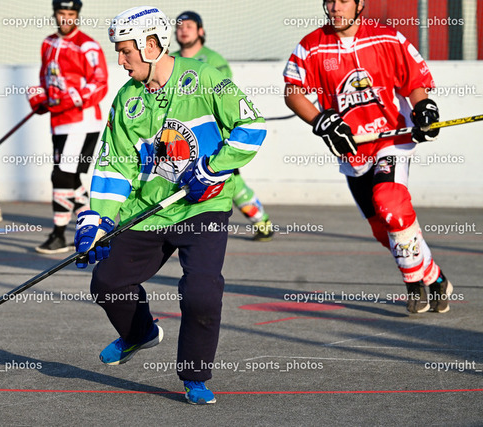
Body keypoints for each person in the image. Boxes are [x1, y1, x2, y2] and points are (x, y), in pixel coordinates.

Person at [73, 6, 266, 404]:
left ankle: (194, 376)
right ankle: (139, 332)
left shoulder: (207, 79)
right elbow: (114, 165)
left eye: (125, 51)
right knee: (107, 282)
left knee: (201, 292)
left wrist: (213, 169)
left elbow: (252, 127)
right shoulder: (127, 100)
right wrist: (98, 219)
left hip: (202, 207)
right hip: (148, 209)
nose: (120, 60)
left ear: (149, 46)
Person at [283, 0, 453, 314]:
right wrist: (321, 120)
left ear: (361, 4)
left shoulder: (387, 37)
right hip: (353, 149)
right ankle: (433, 275)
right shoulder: (312, 45)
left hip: (392, 138)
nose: (335, 7)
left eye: (344, 1)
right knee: (380, 227)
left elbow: (415, 82)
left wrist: (424, 108)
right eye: (330, 1)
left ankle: (413, 280)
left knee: (390, 203)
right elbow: (292, 91)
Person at [171, 11, 274, 241]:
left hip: (214, 135)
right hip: (183, 135)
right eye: (179, 26)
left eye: (189, 26)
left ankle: (261, 220)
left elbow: (225, 102)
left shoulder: (214, 61)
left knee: (231, 182)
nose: (183, 30)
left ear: (201, 31)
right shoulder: (172, 60)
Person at [28, 0, 108, 254]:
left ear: (77, 15)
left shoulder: (87, 45)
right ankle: (94, 225)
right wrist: (40, 97)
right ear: (54, 14)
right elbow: (46, 77)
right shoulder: (48, 43)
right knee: (70, 177)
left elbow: (100, 82)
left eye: (70, 14)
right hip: (59, 122)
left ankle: (60, 235)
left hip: (81, 121)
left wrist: (70, 99)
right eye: (61, 13)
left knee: (61, 175)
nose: (65, 18)